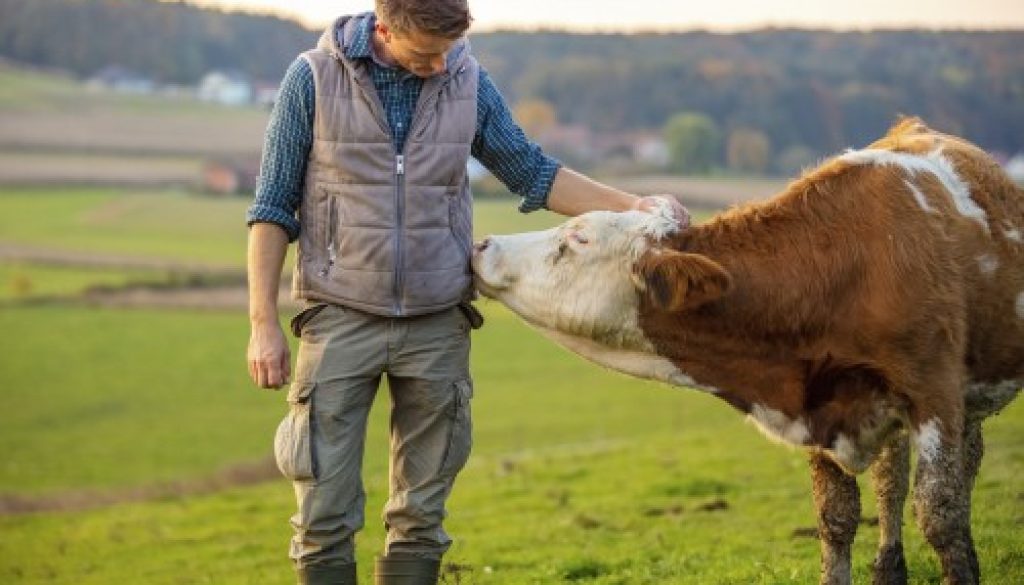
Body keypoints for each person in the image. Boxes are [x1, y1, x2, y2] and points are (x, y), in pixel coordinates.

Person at [245, 1, 688, 583]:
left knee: (421, 517)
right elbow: (272, 208)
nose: (440, 65)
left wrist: (633, 206)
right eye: (425, 53)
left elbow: (532, 172)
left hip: (436, 323)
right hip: (339, 319)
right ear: (383, 29)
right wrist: (263, 324)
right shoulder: (312, 78)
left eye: (449, 50)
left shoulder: (467, 80)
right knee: (323, 514)